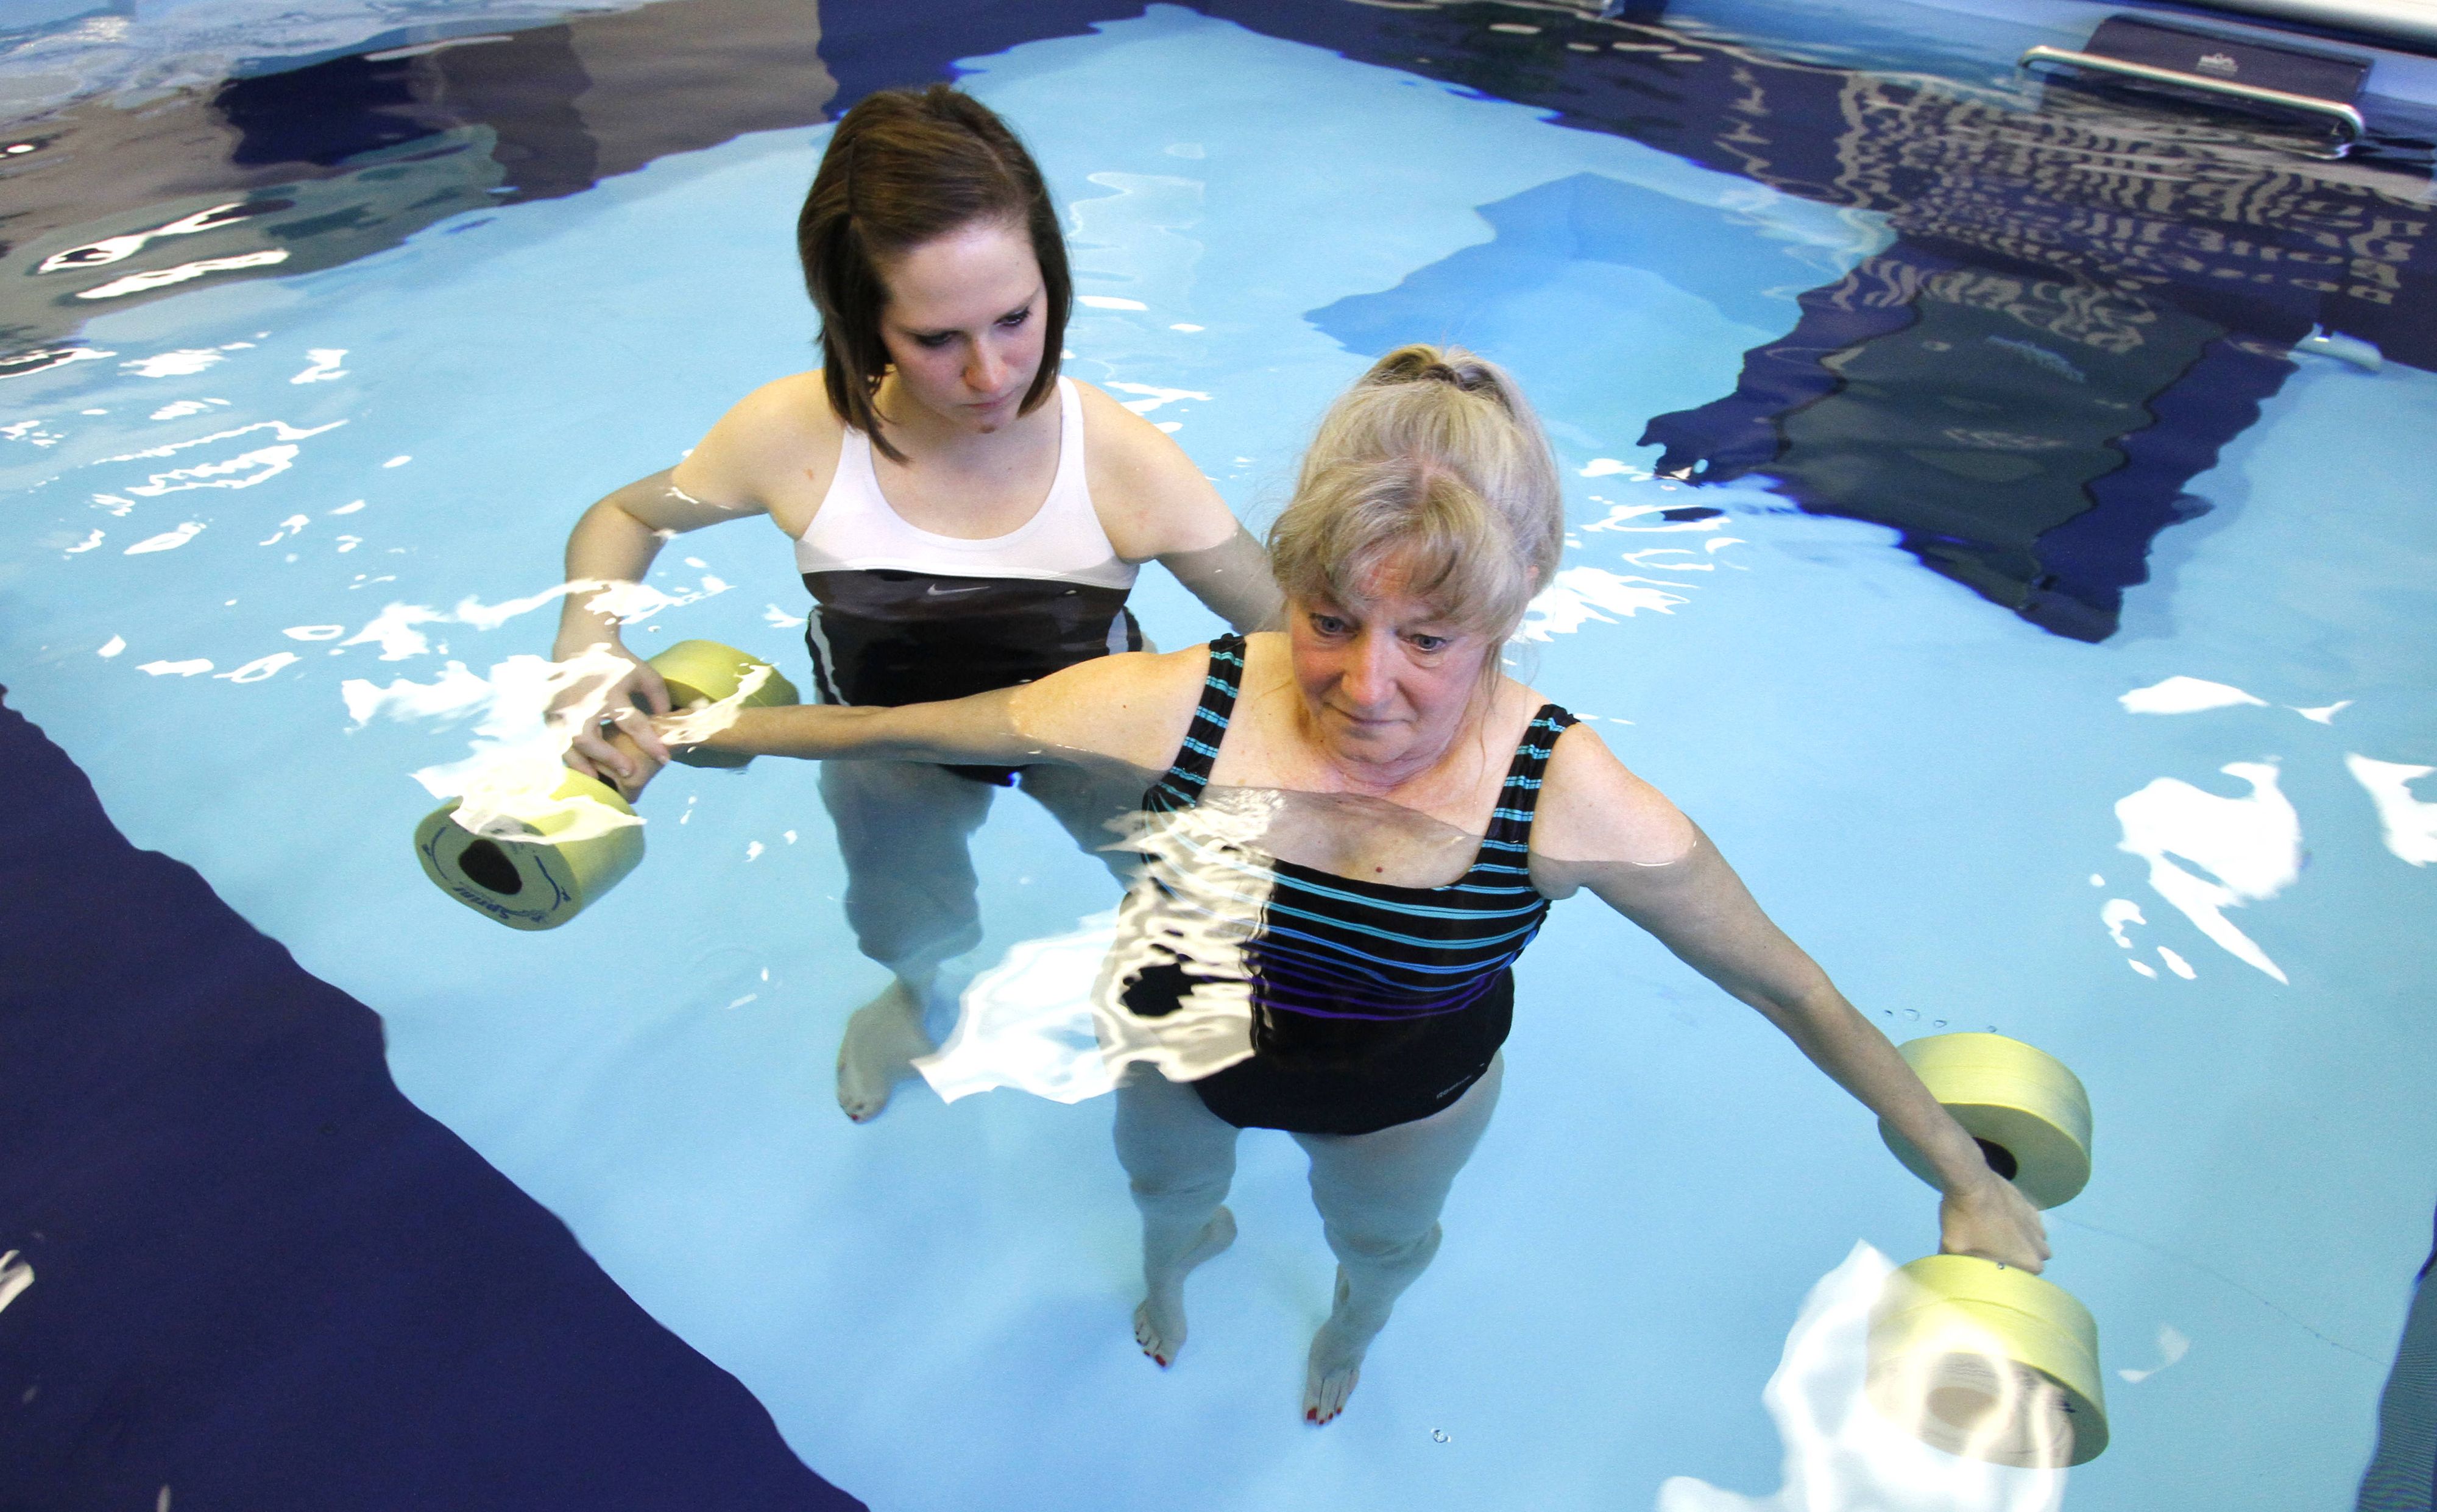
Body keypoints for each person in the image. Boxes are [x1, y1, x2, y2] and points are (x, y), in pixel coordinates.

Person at [609, 343, 2051, 1425]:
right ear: (1287, 576)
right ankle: (1174, 1272)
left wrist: (1957, 1169)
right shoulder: (1175, 702)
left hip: (1400, 1083)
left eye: (1430, 637)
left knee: (1380, 1238)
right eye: (1331, 617)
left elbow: (1783, 982)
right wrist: (689, 730)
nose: (1367, 685)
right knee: (1163, 1196)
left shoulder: (1565, 801)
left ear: (1512, 600)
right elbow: (907, 728)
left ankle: (1349, 1331)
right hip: (1178, 1029)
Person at [549, 85, 1279, 1122]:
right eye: (939, 338)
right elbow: (626, 515)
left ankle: (1177, 1065)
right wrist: (589, 642)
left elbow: (1292, 634)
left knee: (1191, 906)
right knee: (903, 921)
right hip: (877, 742)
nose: (993, 374)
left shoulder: (1123, 465)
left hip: (1091, 743)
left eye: (1018, 318)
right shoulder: (793, 437)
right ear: (862, 324)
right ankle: (913, 999)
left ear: (1051, 280)